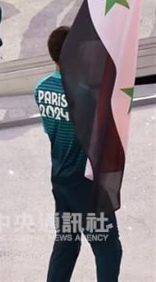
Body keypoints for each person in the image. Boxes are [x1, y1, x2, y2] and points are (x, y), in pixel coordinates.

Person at [35, 26, 123, 281]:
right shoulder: (86, 94)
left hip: (60, 178)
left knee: (67, 242)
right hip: (86, 184)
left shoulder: (41, 89)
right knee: (108, 248)